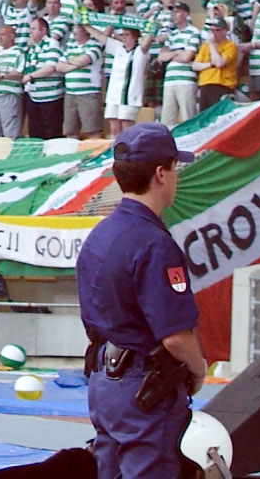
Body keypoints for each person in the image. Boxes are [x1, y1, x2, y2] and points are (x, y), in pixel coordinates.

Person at [76, 124, 206, 479]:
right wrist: (198, 368)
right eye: (174, 168)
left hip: (104, 380)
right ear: (161, 174)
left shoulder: (100, 235)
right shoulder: (154, 244)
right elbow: (176, 336)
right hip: (142, 387)